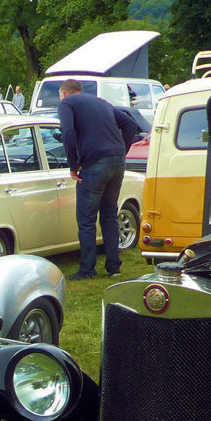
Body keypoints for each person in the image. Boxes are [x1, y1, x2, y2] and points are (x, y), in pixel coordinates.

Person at [56, 78, 142, 279]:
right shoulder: (102, 102)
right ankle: (114, 267)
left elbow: (67, 132)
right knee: (109, 214)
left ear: (65, 93)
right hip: (117, 163)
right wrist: (121, 151)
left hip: (94, 164)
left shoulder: (67, 104)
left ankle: (87, 269)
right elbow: (130, 124)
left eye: (60, 96)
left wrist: (73, 164)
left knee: (86, 218)